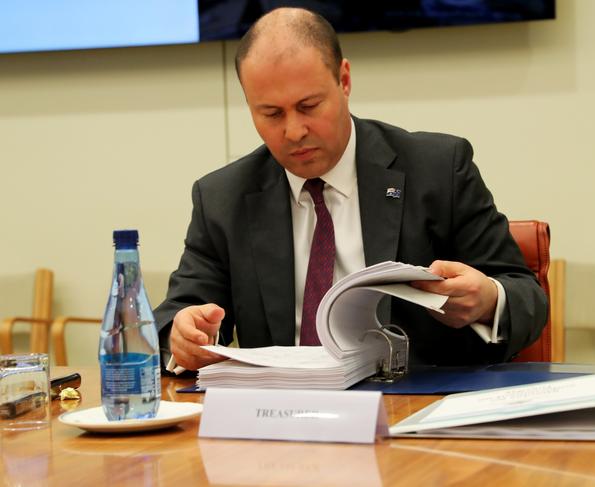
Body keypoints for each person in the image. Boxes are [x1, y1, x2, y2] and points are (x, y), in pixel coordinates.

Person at [154, 7, 547, 372]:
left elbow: (526, 297)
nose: (294, 131)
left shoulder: (438, 168)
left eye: (309, 106)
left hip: (415, 412)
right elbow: (176, 314)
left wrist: (488, 300)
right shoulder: (224, 198)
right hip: (279, 420)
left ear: (344, 80)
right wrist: (182, 335)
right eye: (271, 114)